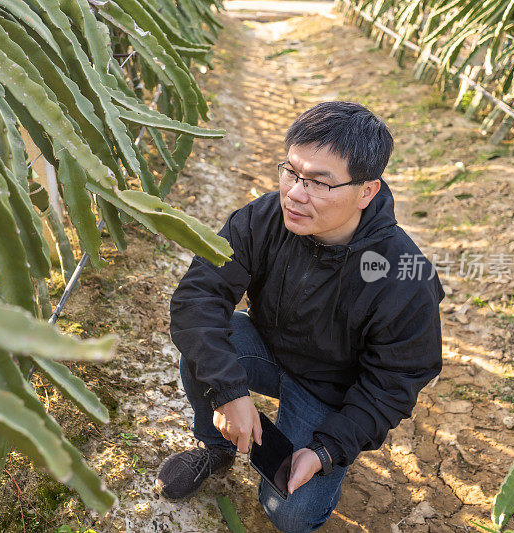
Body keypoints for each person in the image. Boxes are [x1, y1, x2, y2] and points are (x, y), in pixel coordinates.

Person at [153, 101, 445, 532]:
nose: (294, 192)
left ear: (367, 191)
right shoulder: (263, 218)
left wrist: (327, 450)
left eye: (318, 183)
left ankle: (310, 451)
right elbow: (199, 297)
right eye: (290, 171)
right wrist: (230, 391)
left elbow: (394, 384)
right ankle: (216, 448)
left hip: (330, 393)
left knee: (288, 514)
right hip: (268, 350)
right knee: (212, 341)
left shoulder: (406, 276)